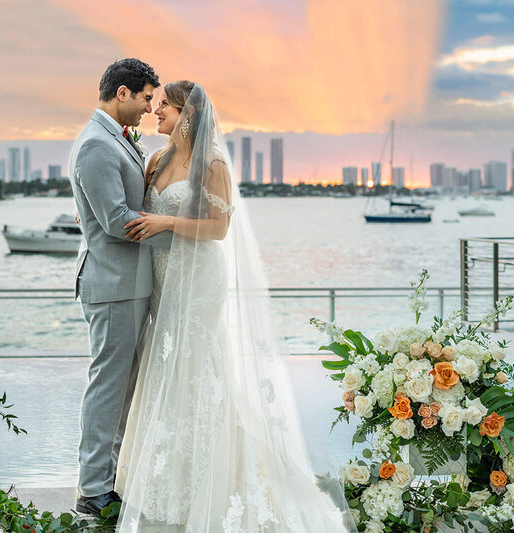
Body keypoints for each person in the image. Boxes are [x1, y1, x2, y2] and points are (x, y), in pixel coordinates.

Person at [115, 81, 352, 532]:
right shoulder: (156, 160)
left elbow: (220, 229)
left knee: (199, 364)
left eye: (164, 104)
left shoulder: (213, 164)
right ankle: (164, 474)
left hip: (199, 277)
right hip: (163, 277)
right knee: (165, 365)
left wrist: (166, 219)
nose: (156, 111)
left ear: (187, 115)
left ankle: (215, 475)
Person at [68, 58, 173, 518]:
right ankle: (92, 489)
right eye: (147, 97)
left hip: (130, 282)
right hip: (112, 285)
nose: (151, 107)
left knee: (122, 389)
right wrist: (187, 233)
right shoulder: (95, 144)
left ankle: (105, 482)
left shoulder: (116, 139)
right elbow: (115, 220)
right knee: (108, 388)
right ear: (124, 93)